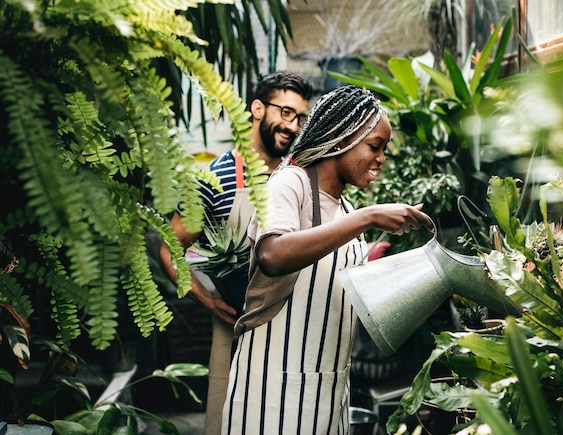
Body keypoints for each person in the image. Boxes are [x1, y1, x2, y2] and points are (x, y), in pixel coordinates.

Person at [222, 85, 433, 434]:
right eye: (374, 146)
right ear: (340, 141)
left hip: (329, 388)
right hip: (273, 390)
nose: (381, 158)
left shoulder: (344, 208)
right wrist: (369, 217)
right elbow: (272, 254)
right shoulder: (289, 184)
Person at [159, 71, 313, 435]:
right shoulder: (214, 178)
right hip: (234, 330)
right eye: (286, 112)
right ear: (257, 109)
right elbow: (170, 249)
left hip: (294, 327)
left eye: (300, 118)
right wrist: (207, 301)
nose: (293, 126)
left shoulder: (300, 177)